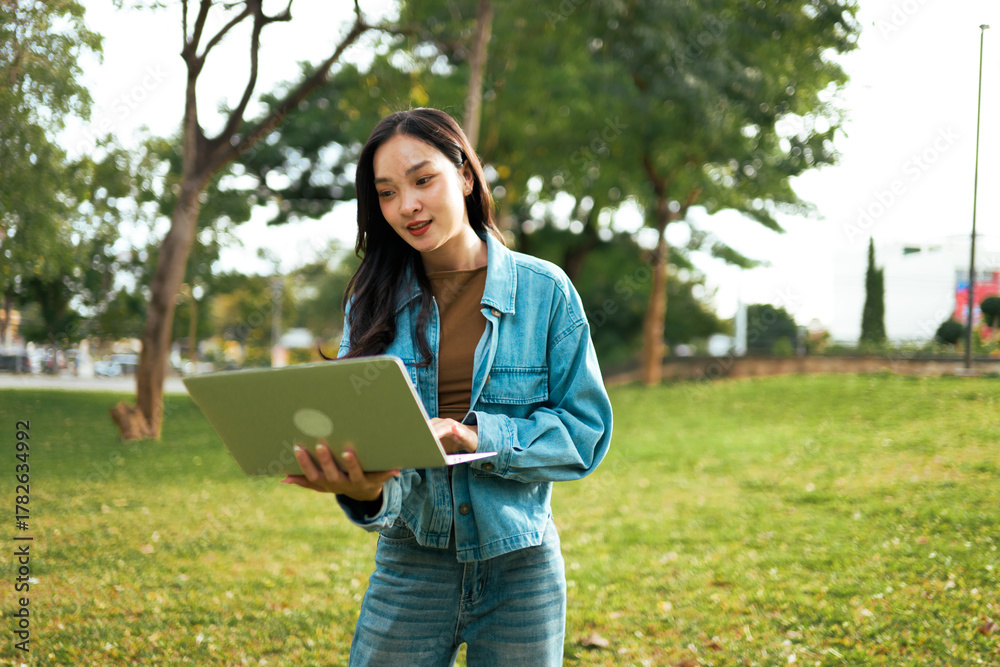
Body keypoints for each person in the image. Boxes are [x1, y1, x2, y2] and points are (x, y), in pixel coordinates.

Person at [281, 107, 613, 666]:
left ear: (463, 175)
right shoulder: (371, 303)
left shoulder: (545, 292)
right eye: (386, 193)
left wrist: (473, 435)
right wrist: (362, 491)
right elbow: (377, 460)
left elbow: (585, 435)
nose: (405, 205)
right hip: (411, 565)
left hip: (522, 568)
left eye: (421, 179)